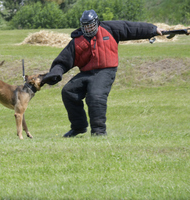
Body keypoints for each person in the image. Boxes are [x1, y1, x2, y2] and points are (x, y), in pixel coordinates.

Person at [41, 9, 165, 137]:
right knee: (68, 91)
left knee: (95, 96)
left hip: (106, 70)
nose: (88, 29)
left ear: (97, 23)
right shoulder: (77, 40)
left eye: (91, 26)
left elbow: (130, 28)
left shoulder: (110, 28)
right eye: (86, 27)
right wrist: (56, 73)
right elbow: (63, 60)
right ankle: (78, 127)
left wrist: (153, 29)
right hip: (86, 73)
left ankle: (99, 131)